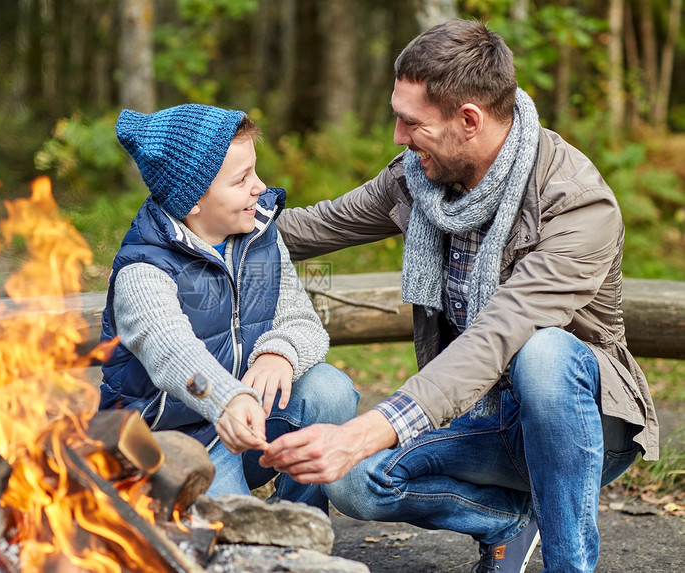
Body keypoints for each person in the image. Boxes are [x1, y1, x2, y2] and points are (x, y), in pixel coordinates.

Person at [261, 19, 658, 573]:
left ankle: (569, 564)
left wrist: (366, 430)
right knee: (350, 481)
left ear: (468, 119)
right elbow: (314, 228)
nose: (397, 136)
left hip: (581, 423)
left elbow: (500, 335)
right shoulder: (418, 178)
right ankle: (507, 523)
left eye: (410, 121)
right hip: (479, 418)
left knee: (543, 353)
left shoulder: (576, 202)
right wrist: (205, 217)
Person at [99, 103, 359, 513]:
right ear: (192, 201)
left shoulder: (257, 239)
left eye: (254, 171)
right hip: (173, 444)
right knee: (232, 535)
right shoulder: (145, 271)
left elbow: (303, 322)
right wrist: (227, 398)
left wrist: (279, 352)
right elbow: (173, 353)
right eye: (241, 180)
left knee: (329, 391)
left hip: (244, 423)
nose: (259, 187)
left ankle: (303, 521)